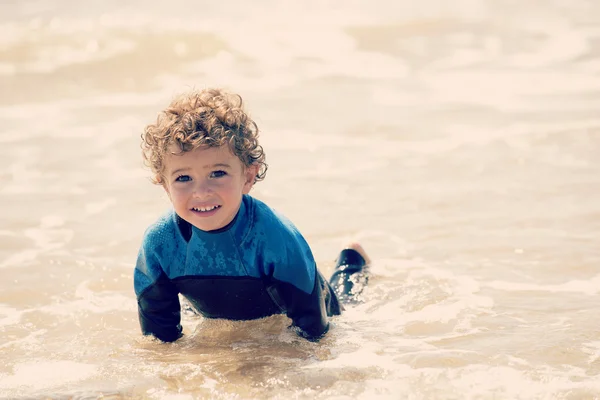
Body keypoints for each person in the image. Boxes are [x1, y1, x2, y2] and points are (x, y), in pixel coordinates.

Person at [134, 88, 369, 343]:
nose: (201, 192)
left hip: (313, 303)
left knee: (348, 306)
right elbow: (158, 336)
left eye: (217, 173)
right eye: (183, 178)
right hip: (222, 305)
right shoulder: (160, 244)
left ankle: (352, 260)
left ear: (248, 176)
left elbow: (314, 329)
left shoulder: (274, 237)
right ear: (165, 185)